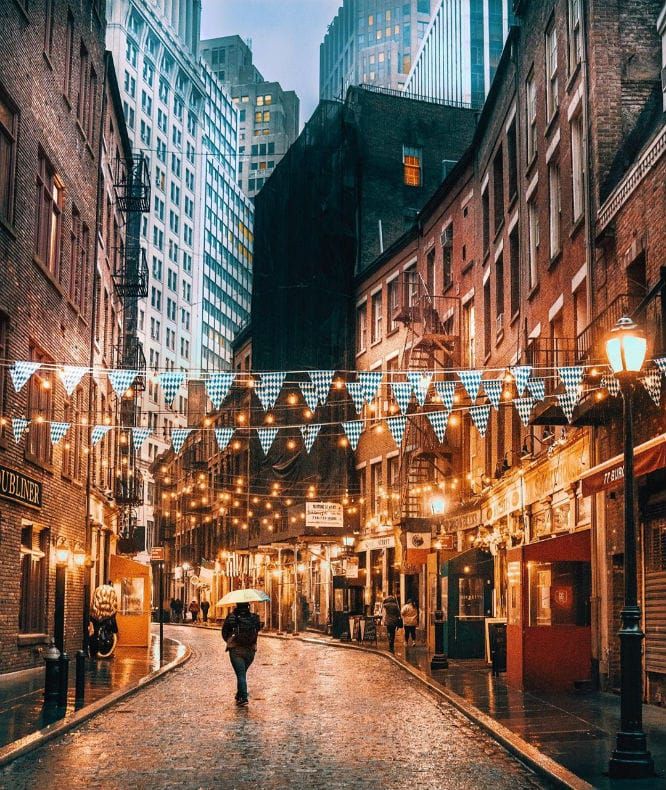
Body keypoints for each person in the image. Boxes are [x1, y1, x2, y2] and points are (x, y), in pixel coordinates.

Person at [221, 603, 262, 706]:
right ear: (248, 606)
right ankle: (239, 694)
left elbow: (224, 632)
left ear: (237, 606)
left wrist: (230, 640)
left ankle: (243, 698)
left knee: (241, 675)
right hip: (250, 651)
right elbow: (258, 630)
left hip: (236, 650)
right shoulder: (254, 617)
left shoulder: (231, 617)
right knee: (242, 674)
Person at [89, 581, 119, 658]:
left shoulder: (93, 615)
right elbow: (115, 631)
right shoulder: (111, 616)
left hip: (93, 645)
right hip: (107, 646)